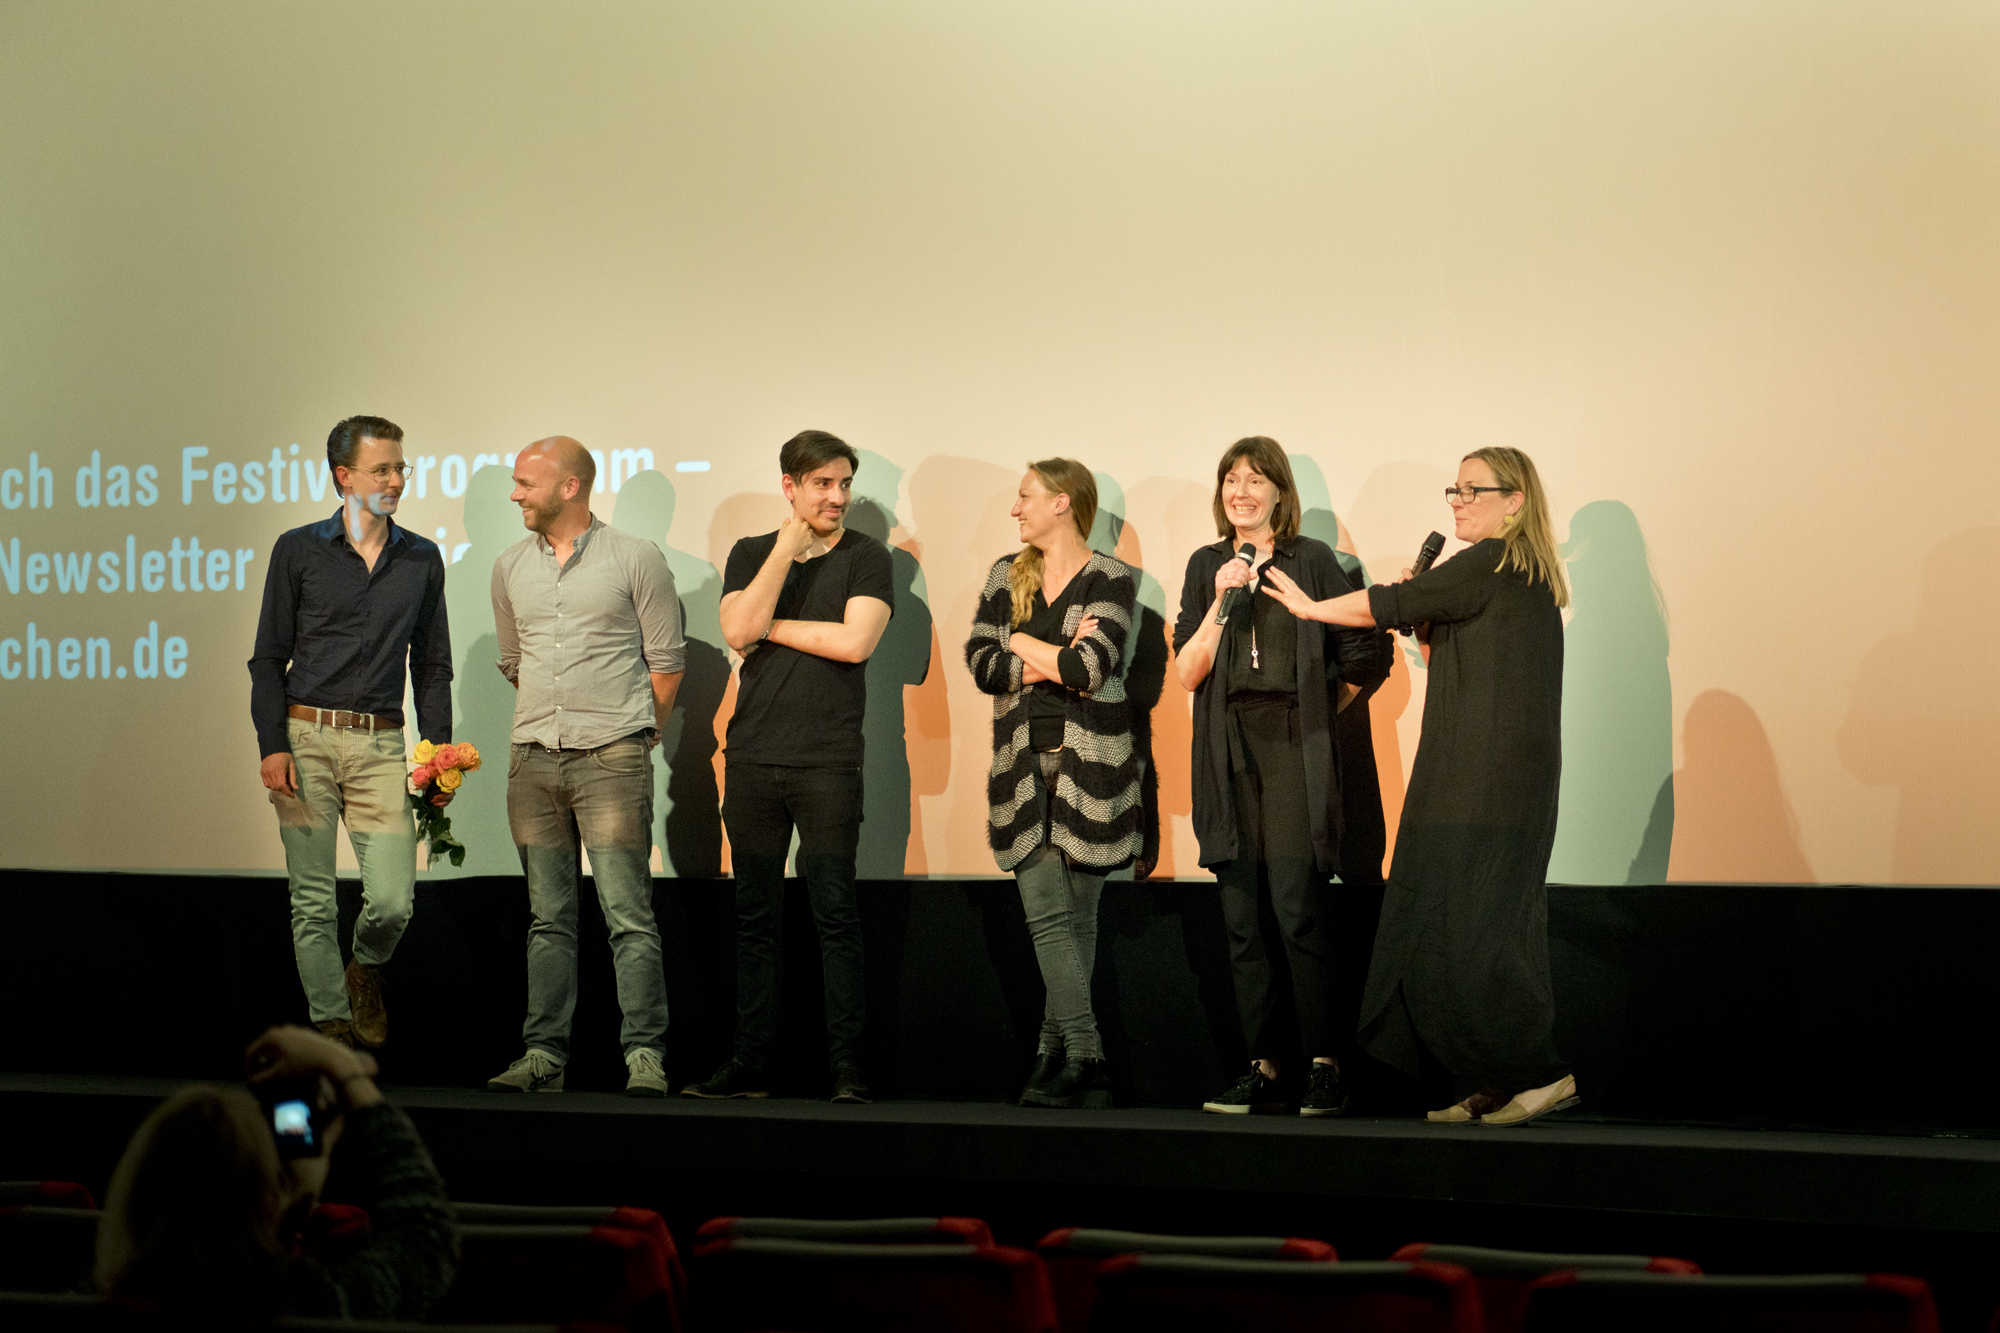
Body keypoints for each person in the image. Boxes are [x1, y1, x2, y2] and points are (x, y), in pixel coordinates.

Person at [1262, 445, 1576, 1126]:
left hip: (1486, 780)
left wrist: (1311, 608)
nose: (1457, 501)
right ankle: (1493, 1074)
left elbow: (1388, 603)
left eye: (1472, 490)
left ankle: (1540, 1072)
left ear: (1515, 501)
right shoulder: (1512, 574)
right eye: (1453, 490)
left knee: (1478, 927)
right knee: (1460, 923)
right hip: (1481, 773)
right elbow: (1448, 654)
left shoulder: (1493, 561)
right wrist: (1427, 621)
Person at [1172, 437, 1392, 1118]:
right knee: (1241, 915)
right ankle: (1262, 1065)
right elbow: (1187, 671)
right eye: (1231, 480)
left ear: (1279, 492)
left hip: (1295, 742)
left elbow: (1365, 654)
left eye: (1255, 480)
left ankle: (1325, 1064)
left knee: (1297, 906)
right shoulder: (1207, 564)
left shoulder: (1312, 560)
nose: (1241, 492)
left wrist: (1319, 714)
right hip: (1226, 743)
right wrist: (1220, 600)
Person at [683, 430, 893, 1105]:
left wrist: (770, 628)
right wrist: (784, 549)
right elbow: (734, 629)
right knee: (755, 919)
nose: (837, 496)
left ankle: (848, 1068)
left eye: (844, 484)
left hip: (827, 761)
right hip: (752, 758)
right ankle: (751, 1064)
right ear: (790, 487)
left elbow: (854, 643)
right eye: (822, 484)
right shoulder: (752, 553)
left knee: (835, 914)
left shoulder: (867, 557)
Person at [486, 437, 685, 1098]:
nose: (515, 493)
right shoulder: (509, 565)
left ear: (569, 486)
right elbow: (515, 661)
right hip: (532, 762)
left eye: (525, 482)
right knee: (548, 919)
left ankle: (645, 1054)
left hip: (611, 759)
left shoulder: (635, 556)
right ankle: (544, 1054)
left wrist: (630, 736)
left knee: (628, 914)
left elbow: (666, 662)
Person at [249, 415, 452, 1050]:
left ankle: (364, 967)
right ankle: (331, 1028)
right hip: (305, 738)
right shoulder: (298, 549)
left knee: (392, 901)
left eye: (400, 469)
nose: (396, 481)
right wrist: (272, 744)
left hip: (380, 744)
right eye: (381, 470)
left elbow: (433, 665)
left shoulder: (421, 557)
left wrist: (439, 755)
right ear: (344, 476)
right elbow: (268, 658)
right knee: (312, 901)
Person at [965, 459, 1142, 1110]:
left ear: (1062, 503)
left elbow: (1089, 668)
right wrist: (1048, 655)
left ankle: (1052, 1052)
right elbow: (983, 663)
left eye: (1025, 497)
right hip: (1023, 769)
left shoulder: (1110, 578)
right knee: (1048, 918)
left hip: (1090, 768)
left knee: (1076, 920)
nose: (1016, 509)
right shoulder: (1006, 575)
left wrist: (1021, 644)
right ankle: (1088, 1055)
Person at [95, 1024, 456, 1321]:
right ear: (269, 1203)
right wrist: (349, 1073)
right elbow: (423, 1242)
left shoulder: (89, 1310)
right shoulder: (306, 1305)